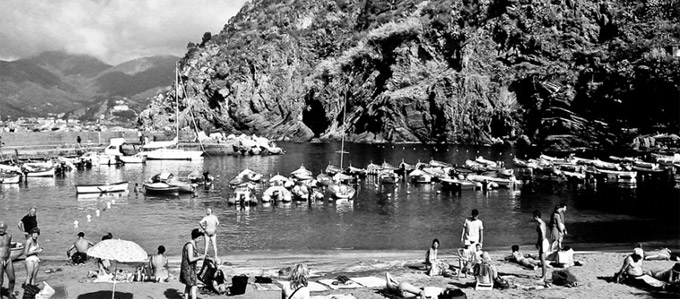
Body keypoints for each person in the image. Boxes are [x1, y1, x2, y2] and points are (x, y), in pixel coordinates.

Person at [180, 228, 206, 299]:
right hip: (188, 269)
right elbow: (190, 259)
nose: (200, 240)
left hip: (190, 268)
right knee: (194, 286)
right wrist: (200, 258)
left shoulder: (194, 244)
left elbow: (195, 254)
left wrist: (201, 255)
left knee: (188, 286)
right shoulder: (190, 245)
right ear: (196, 237)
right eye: (200, 238)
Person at [0, 222, 17, 299]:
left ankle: (10, 294)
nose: (1, 230)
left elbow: (8, 248)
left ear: (6, 228)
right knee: (0, 281)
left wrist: (7, 257)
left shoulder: (9, 236)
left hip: (8, 259)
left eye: (2, 228)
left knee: (12, 278)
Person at [533, 210, 550, 283]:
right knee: (541, 258)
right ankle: (544, 274)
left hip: (543, 242)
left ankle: (544, 276)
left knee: (542, 260)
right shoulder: (543, 223)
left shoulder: (540, 225)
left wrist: (538, 243)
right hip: (544, 241)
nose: (533, 218)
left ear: (536, 217)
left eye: (533, 216)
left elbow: (542, 236)